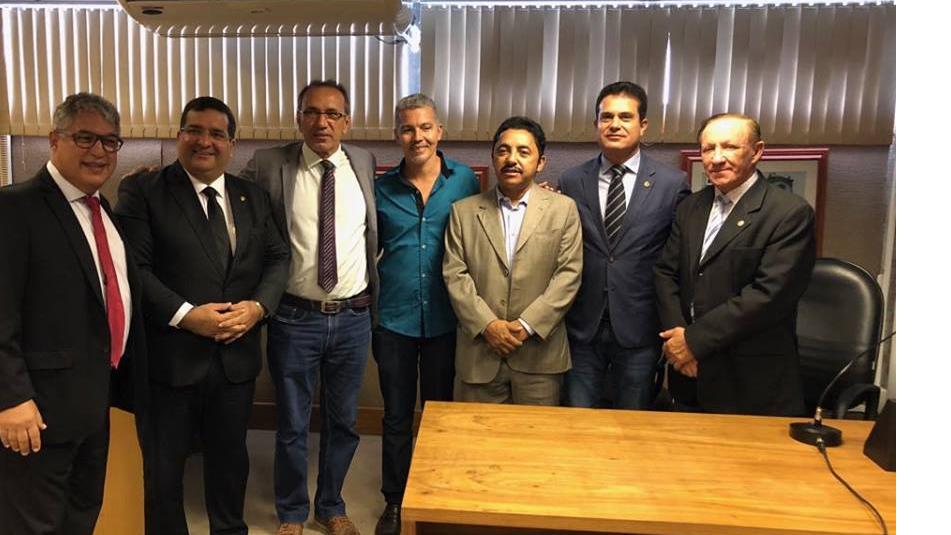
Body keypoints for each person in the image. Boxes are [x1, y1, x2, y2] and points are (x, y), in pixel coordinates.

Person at [115, 96, 289, 535]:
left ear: (232, 144)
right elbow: (135, 269)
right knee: (163, 471)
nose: (204, 141)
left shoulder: (252, 196)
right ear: (179, 136)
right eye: (194, 130)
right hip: (169, 360)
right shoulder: (144, 192)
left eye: (216, 134)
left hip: (235, 360)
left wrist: (258, 307)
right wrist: (187, 315)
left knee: (230, 463)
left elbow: (278, 258)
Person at [0, 92, 148, 535]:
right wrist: (10, 399)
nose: (99, 151)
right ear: (54, 140)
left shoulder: (102, 210)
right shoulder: (14, 208)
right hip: (35, 413)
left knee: (81, 516)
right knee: (32, 524)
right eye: (85, 138)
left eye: (110, 141)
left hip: (92, 406)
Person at [239, 80, 377, 535]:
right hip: (295, 317)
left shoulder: (362, 162)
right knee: (292, 423)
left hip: (353, 317)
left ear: (347, 122)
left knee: (344, 422)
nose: (322, 122)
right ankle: (293, 512)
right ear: (298, 119)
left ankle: (331, 505)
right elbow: (228, 193)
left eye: (333, 113)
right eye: (312, 112)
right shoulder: (269, 164)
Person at [654, 112, 816, 416]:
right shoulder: (690, 207)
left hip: (749, 379)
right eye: (708, 149)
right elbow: (665, 273)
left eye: (729, 147)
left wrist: (693, 341)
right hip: (688, 372)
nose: (717, 158)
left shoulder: (789, 213)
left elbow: (769, 295)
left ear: (757, 151)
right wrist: (678, 339)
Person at [372, 93, 480, 535]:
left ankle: (437, 497)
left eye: (424, 127)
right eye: (407, 128)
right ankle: (395, 502)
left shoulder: (465, 182)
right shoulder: (380, 188)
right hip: (394, 319)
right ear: (397, 134)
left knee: (441, 414)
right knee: (396, 416)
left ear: (439, 131)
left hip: (446, 319)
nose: (417, 136)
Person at [559, 81, 690, 409]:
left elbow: (676, 261)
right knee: (577, 420)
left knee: (633, 424)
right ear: (596, 124)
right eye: (606, 117)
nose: (614, 124)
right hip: (582, 326)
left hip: (640, 328)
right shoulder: (571, 181)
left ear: (643, 125)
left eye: (625, 117)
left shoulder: (672, 184)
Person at [443, 116, 583, 405]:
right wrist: (488, 326)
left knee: (536, 434)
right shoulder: (463, 212)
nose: (511, 159)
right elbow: (455, 275)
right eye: (503, 150)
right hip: (480, 353)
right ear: (493, 157)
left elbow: (568, 275)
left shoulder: (563, 209)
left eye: (523, 151)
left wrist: (526, 325)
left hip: (540, 356)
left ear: (540, 162)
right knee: (477, 433)